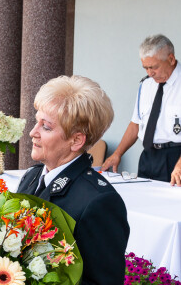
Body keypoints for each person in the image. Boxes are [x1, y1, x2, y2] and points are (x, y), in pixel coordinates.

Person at [17, 75, 130, 284]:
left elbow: (103, 280)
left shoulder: (98, 201)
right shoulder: (31, 177)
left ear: (76, 140)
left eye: (46, 127)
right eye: (36, 122)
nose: (33, 132)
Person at [101, 34, 181, 186]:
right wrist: (117, 154)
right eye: (146, 67)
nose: (149, 73)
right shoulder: (146, 86)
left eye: (154, 67)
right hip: (148, 157)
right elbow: (135, 125)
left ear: (171, 59)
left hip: (176, 158)